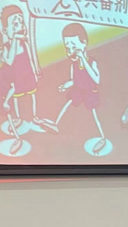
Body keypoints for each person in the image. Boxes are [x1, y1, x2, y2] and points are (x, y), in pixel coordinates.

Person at [41, 23, 107, 155]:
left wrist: (83, 59)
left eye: (74, 47)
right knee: (68, 103)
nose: (71, 51)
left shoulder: (92, 62)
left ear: (84, 43)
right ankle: (55, 124)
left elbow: (96, 79)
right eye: (68, 48)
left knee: (94, 114)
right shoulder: (74, 65)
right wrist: (65, 85)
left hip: (90, 91)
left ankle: (102, 137)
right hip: (78, 90)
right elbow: (74, 80)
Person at [1, 5, 41, 127]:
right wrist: (15, 40)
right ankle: (18, 117)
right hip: (16, 77)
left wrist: (35, 71)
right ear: (5, 30)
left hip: (28, 74)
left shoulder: (25, 44)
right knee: (16, 98)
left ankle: (34, 116)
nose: (20, 26)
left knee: (32, 95)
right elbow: (9, 61)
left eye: (21, 22)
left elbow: (31, 58)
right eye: (15, 24)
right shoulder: (6, 47)